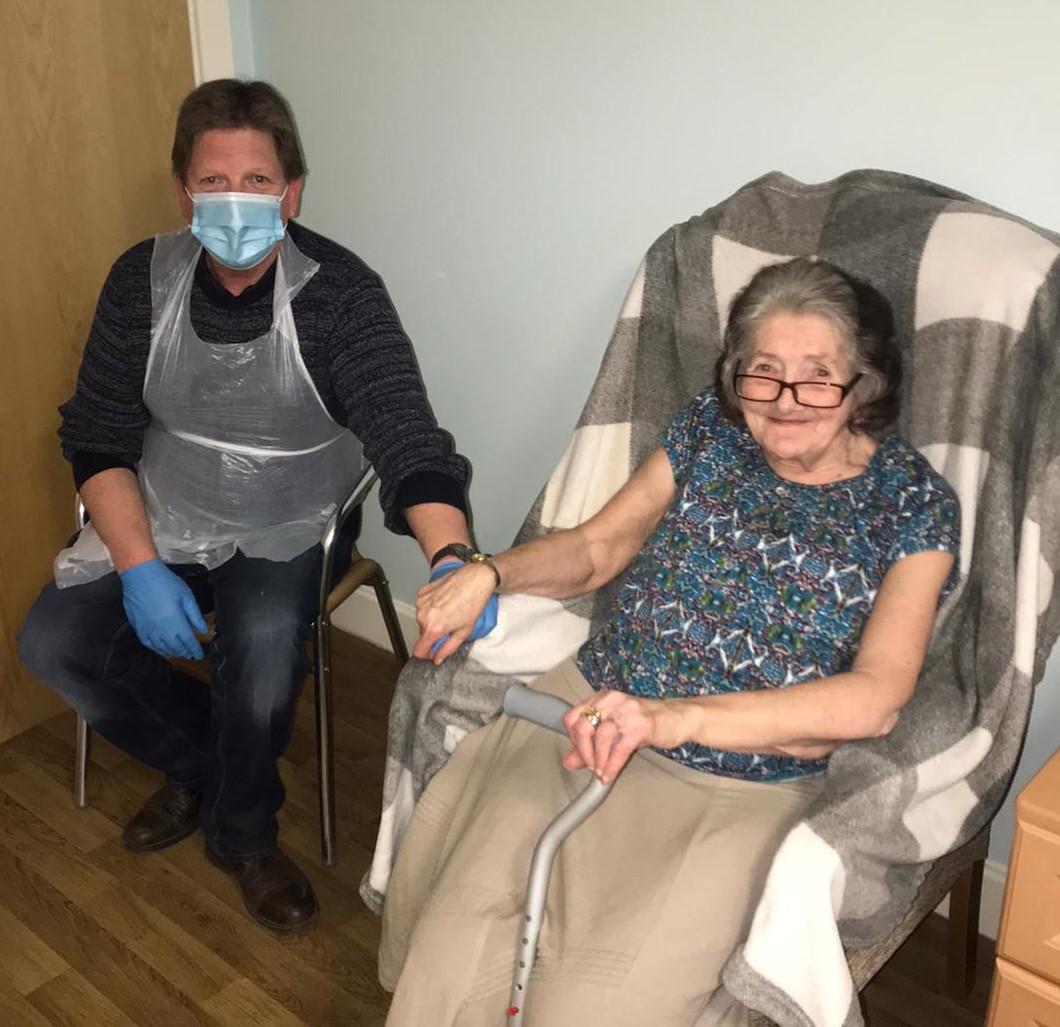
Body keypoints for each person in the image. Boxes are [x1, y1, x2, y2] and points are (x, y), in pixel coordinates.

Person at [377, 257, 960, 1025]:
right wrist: (490, 572)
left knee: (591, 1008)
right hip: (582, 714)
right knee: (449, 971)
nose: (785, 400)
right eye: (763, 371)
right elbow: (597, 549)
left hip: (737, 781)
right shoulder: (712, 428)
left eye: (818, 376)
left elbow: (875, 696)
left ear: (865, 383)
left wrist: (672, 718)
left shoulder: (911, 502)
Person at [18, 78, 490, 934]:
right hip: (167, 504)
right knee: (53, 641)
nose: (235, 201)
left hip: (289, 516)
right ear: (184, 193)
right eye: (214, 181)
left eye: (258, 181)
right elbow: (97, 434)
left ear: (291, 192)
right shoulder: (140, 280)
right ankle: (209, 765)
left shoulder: (341, 295)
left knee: (265, 650)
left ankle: (241, 832)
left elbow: (409, 441)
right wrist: (139, 565)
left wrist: (454, 558)